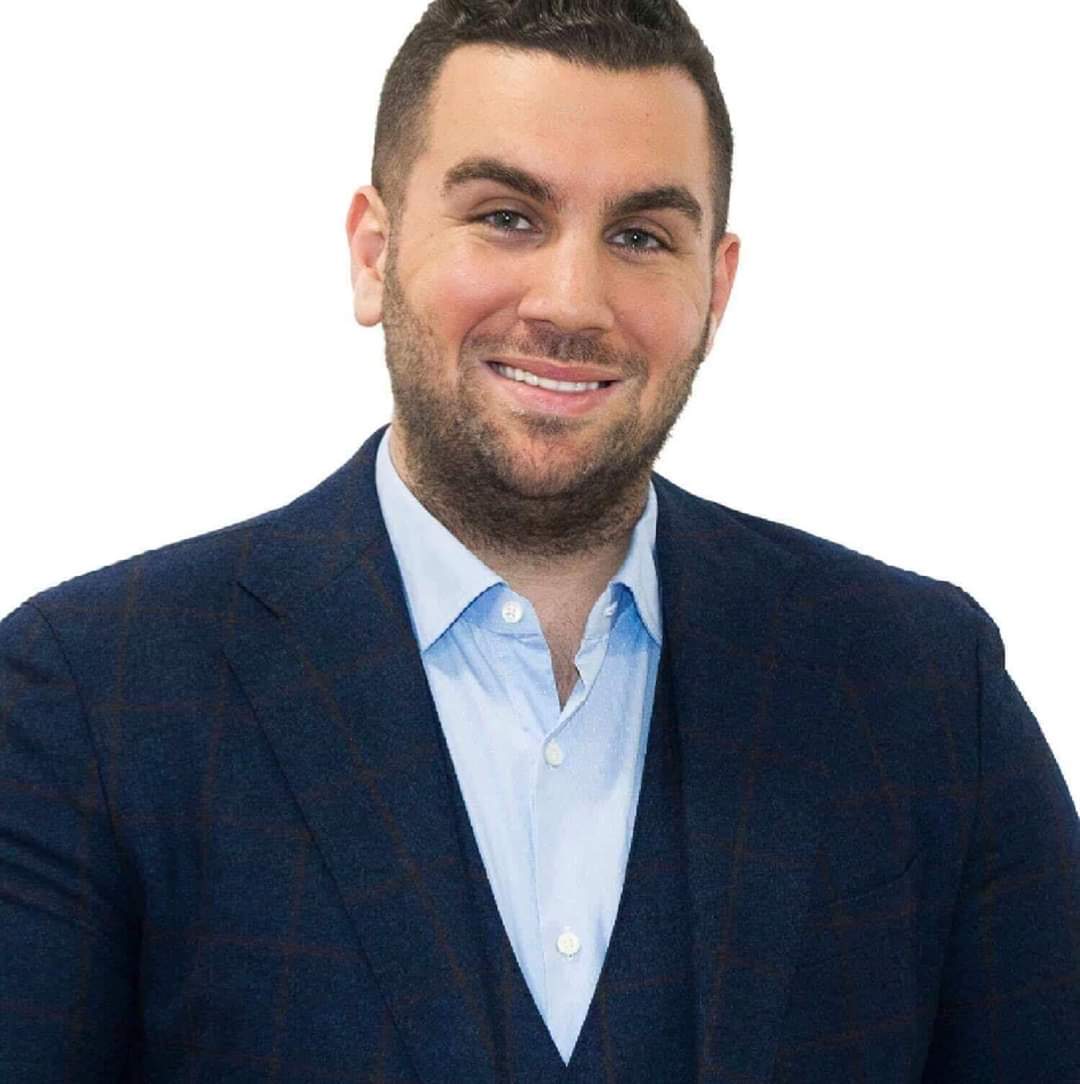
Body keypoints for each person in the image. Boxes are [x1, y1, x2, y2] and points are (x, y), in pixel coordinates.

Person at [1, 0, 1076, 1079]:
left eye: (641, 237)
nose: (571, 302)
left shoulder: (925, 689)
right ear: (375, 253)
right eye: (507, 216)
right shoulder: (92, 698)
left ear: (716, 289)